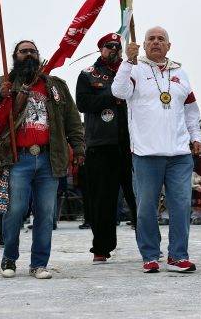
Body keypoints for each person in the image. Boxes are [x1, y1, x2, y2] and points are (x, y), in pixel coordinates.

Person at [0, 40, 85, 279]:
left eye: (32, 51)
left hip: (50, 158)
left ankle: (39, 264)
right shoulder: (4, 83)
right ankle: (9, 258)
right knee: (15, 210)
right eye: (23, 51)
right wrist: (0, 95)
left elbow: (72, 118)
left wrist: (78, 148)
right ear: (15, 56)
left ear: (39, 56)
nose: (28, 54)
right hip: (19, 159)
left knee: (46, 213)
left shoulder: (55, 85)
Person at [112, 26, 201, 274]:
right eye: (151, 39)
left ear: (168, 46)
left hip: (179, 154)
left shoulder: (180, 72)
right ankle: (150, 256)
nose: (155, 42)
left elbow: (191, 111)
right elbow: (118, 92)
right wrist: (127, 61)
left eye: (160, 39)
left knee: (181, 207)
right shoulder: (135, 69)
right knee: (145, 208)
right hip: (146, 153)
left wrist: (196, 136)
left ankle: (177, 257)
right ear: (143, 44)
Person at [76, 31, 137, 264]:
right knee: (103, 201)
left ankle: (149, 244)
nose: (114, 49)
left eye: (117, 47)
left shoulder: (132, 70)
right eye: (109, 46)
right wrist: (113, 97)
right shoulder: (88, 75)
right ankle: (101, 248)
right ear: (100, 49)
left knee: (138, 197)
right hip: (101, 146)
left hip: (131, 146)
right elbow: (83, 103)